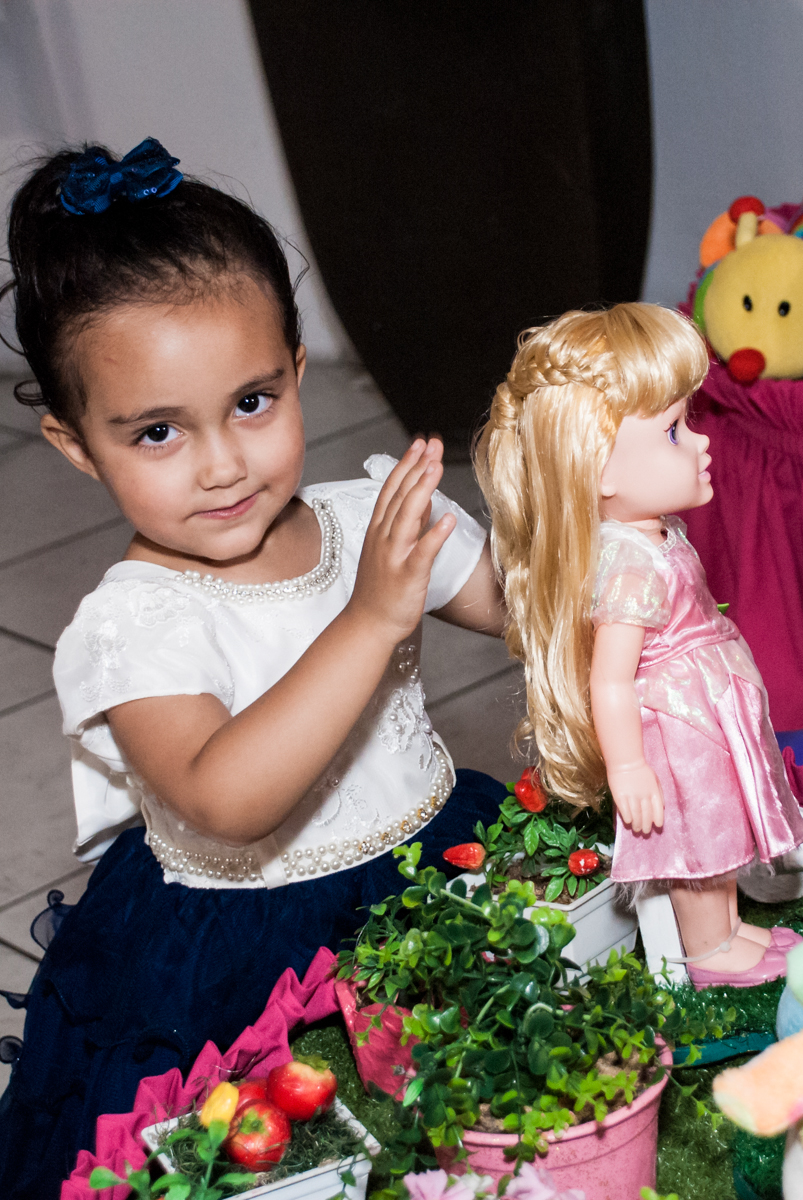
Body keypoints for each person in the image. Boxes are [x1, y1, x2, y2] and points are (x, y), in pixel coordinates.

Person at [0, 140, 507, 1197]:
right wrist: (369, 620)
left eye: (250, 401)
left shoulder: (363, 514)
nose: (223, 463)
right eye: (155, 432)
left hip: (426, 866)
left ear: (293, 366)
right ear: (76, 445)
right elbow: (224, 798)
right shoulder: (132, 625)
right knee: (283, 1161)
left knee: (484, 1115)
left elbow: (521, 611)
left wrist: (603, 563)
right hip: (243, 951)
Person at [474, 302, 803, 992]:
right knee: (701, 829)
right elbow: (611, 680)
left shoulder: (653, 535)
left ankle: (727, 925)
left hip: (700, 704)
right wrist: (626, 768)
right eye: (674, 431)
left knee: (723, 821)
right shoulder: (627, 563)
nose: (701, 443)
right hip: (676, 724)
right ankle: (709, 947)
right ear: (600, 471)